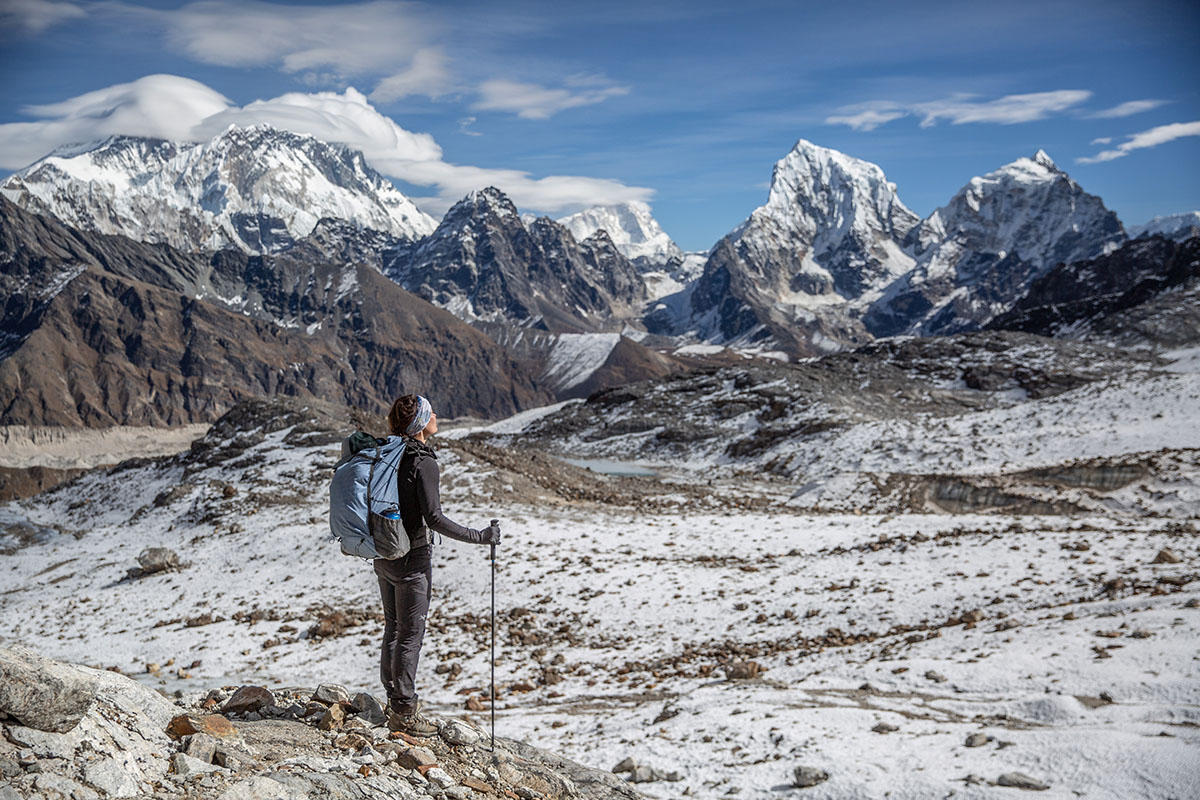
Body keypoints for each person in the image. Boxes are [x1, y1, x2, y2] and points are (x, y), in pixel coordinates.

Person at [377, 394, 500, 735]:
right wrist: (480, 536)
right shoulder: (422, 461)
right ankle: (403, 713)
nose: (437, 416)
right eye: (431, 413)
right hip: (412, 559)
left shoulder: (387, 452)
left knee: (393, 627)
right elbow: (434, 518)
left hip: (384, 553)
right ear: (421, 424)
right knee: (410, 635)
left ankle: (392, 699)